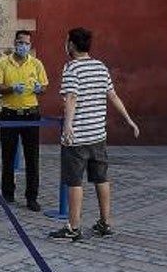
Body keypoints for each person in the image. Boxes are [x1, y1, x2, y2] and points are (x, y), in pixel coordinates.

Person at [49, 27, 140, 243]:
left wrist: (68, 126)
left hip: (78, 137)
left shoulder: (71, 68)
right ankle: (105, 223)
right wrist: (128, 119)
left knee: (74, 182)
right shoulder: (100, 67)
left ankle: (73, 227)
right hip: (98, 135)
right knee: (101, 178)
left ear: (71, 44)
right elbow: (113, 95)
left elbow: (71, 97)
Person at [0, 30, 48, 211]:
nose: (23, 46)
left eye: (27, 44)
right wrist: (11, 89)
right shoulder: (2, 63)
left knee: (32, 158)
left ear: (30, 46)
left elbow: (44, 86)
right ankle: (7, 194)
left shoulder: (36, 64)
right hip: (9, 114)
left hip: (31, 114)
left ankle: (32, 197)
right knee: (7, 156)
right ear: (15, 43)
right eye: (21, 43)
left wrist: (40, 89)